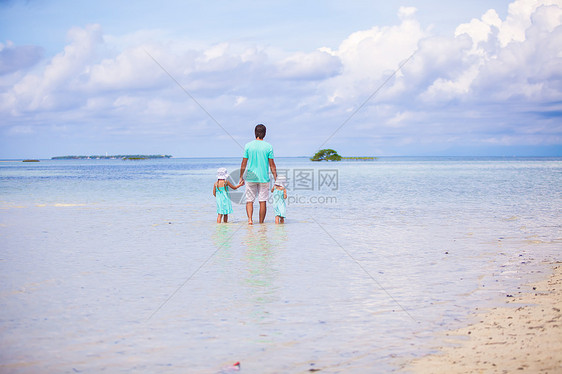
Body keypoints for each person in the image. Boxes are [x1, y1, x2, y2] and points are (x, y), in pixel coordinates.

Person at [240, 124, 277, 224]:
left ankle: (250, 220)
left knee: (249, 200)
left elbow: (244, 163)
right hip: (263, 178)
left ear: (255, 133)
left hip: (250, 177)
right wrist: (276, 179)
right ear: (265, 134)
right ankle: (261, 223)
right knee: (262, 201)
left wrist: (241, 176)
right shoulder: (268, 147)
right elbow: (272, 165)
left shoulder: (248, 145)